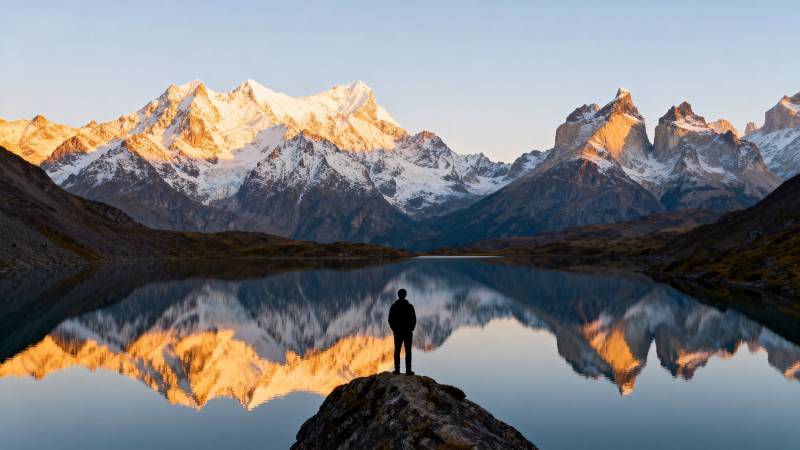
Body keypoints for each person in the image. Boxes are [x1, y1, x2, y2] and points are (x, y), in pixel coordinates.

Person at [388, 288, 416, 375]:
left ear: (398, 295)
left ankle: (397, 370)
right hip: (408, 332)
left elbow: (390, 320)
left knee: (397, 351)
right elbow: (414, 319)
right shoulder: (410, 307)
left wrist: (394, 329)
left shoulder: (394, 306)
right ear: (405, 295)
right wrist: (411, 328)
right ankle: (408, 370)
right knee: (408, 351)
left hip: (398, 332)